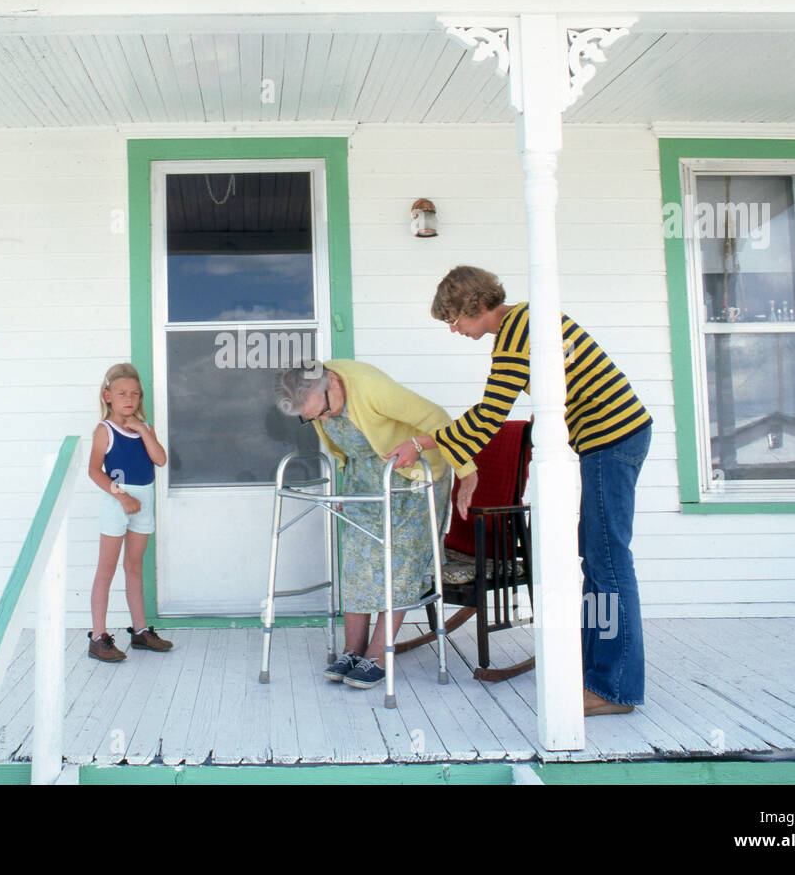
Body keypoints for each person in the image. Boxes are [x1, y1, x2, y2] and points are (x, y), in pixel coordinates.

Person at [385, 266, 652, 717]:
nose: (454, 330)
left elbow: (490, 415)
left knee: (609, 561)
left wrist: (421, 442)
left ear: (476, 306)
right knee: (598, 556)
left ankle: (614, 689)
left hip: (612, 439)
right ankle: (596, 674)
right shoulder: (526, 321)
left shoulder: (515, 336)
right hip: (611, 440)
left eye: (455, 320)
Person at [273, 360, 474, 690]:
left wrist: (467, 475)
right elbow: (346, 447)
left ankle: (379, 654)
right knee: (356, 561)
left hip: (412, 477)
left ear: (333, 383)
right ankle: (353, 651)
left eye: (323, 412)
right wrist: (344, 481)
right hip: (365, 480)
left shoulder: (371, 390)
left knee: (399, 562)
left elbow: (439, 419)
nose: (322, 420)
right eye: (310, 419)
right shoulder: (317, 394)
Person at [86, 362, 173, 662]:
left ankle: (139, 631)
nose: (129, 399)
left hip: (143, 502)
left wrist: (141, 429)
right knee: (106, 570)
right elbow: (94, 471)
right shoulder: (104, 430)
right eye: (122, 393)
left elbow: (160, 460)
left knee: (134, 568)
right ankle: (98, 637)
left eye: (135, 394)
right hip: (117, 502)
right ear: (107, 396)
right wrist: (122, 497)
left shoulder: (144, 428)